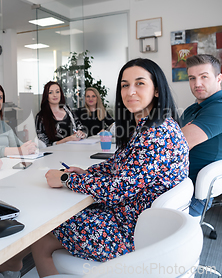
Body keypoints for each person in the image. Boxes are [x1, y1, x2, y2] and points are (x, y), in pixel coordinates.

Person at [31, 58, 189, 277]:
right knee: (45, 235)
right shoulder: (152, 125)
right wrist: (87, 173)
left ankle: (9, 267)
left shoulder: (156, 134)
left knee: (43, 226)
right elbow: (119, 165)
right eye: (125, 85)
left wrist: (67, 180)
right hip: (134, 219)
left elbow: (118, 190)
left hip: (128, 233)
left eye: (140, 83)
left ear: (156, 90)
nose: (130, 91)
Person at [180, 54, 222, 216]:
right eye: (192, 78)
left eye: (204, 77)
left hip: (188, 194)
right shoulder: (193, 109)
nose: (197, 84)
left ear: (219, 78)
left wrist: (175, 135)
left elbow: (173, 145)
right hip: (176, 183)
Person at [35, 81, 86, 146]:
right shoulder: (40, 117)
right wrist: (67, 139)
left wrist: (81, 133)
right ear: (46, 96)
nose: (55, 95)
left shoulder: (68, 110)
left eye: (57, 92)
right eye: (50, 92)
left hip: (74, 149)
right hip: (54, 154)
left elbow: (80, 127)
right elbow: (44, 145)